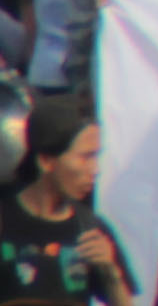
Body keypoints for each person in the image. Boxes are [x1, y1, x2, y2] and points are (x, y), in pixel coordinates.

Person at [0, 91, 127, 306]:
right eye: (86, 157)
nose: (95, 170)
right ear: (46, 161)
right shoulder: (4, 220)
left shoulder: (91, 230)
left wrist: (110, 271)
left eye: (96, 156)